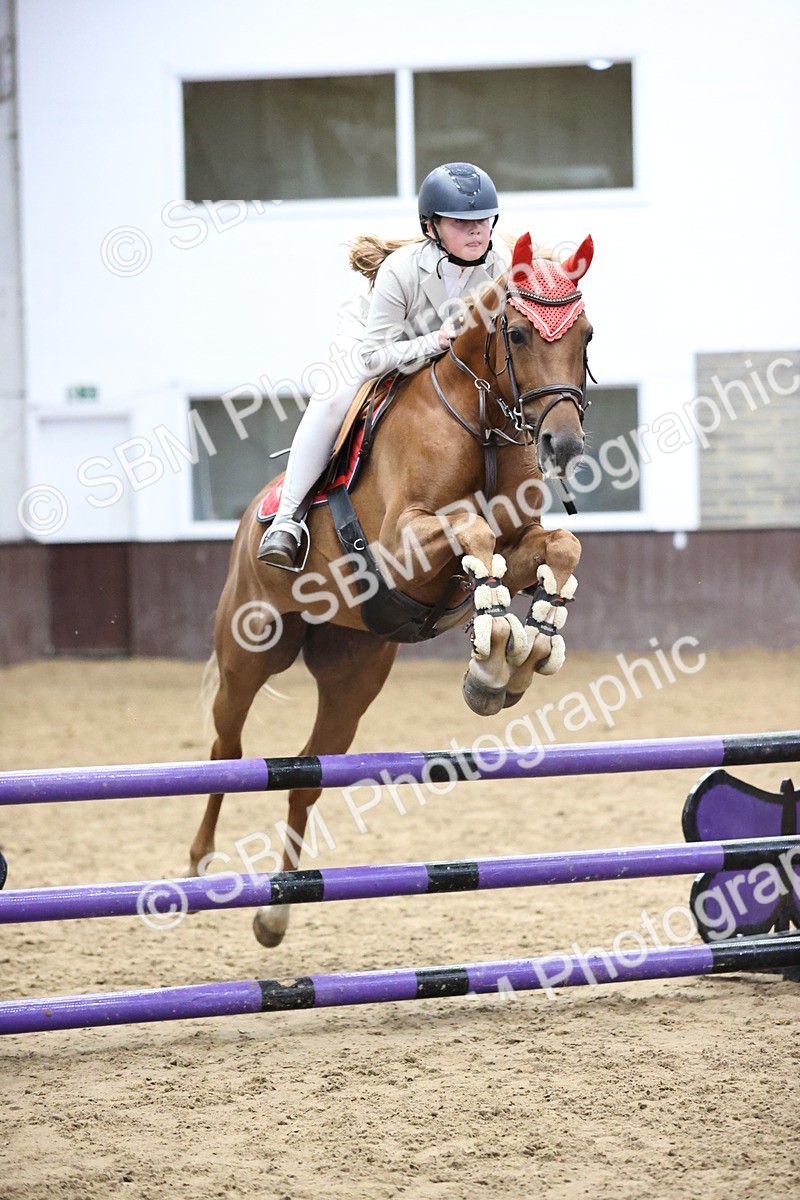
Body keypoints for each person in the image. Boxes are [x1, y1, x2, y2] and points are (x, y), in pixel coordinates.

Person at [257, 161, 510, 569]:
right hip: (370, 341)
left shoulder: (500, 267)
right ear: (431, 227)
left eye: (483, 220)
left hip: (438, 347)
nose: (476, 231)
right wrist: (434, 341)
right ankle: (287, 520)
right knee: (333, 397)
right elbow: (373, 357)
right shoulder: (401, 269)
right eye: (461, 223)